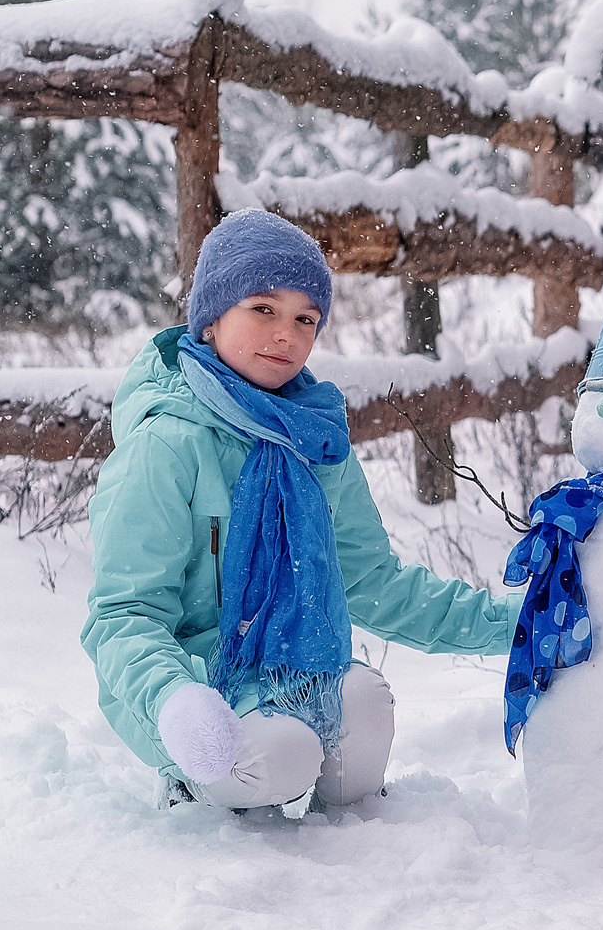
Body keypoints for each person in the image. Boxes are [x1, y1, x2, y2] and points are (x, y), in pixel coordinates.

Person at [81, 210, 518, 816]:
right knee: (280, 754)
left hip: (292, 667)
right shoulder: (167, 444)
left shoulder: (316, 440)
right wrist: (173, 700)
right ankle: (193, 783)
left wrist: (513, 624)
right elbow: (123, 613)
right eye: (263, 308)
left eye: (305, 318)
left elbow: (373, 583)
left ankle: (329, 837)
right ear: (211, 318)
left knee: (364, 704)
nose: (286, 334)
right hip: (192, 689)